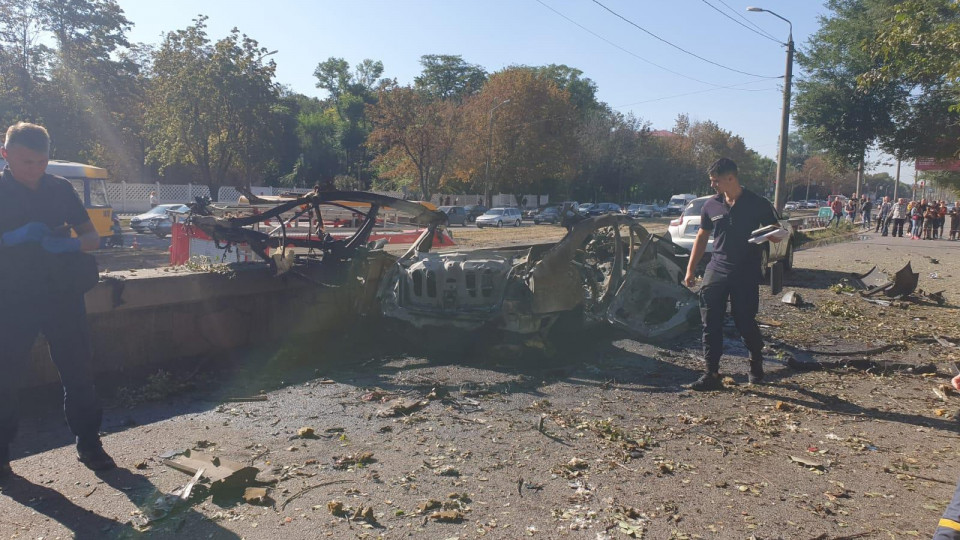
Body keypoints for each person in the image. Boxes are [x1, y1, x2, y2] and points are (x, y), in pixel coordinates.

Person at [0, 122, 116, 480]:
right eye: (26, 162)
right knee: (5, 376)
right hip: (12, 298)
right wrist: (12, 237)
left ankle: (89, 443)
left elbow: (92, 238)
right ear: (5, 155)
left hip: (61, 294)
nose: (35, 169)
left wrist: (68, 244)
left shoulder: (60, 188)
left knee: (78, 370)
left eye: (41, 161)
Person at [683, 158, 781, 391]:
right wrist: (690, 269)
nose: (713, 185)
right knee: (710, 323)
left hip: (745, 272)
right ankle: (711, 373)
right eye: (711, 181)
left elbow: (777, 231)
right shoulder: (711, 205)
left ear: (731, 178)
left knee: (744, 321)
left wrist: (775, 236)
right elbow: (702, 237)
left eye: (716, 181)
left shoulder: (758, 203)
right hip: (716, 269)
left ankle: (756, 365)